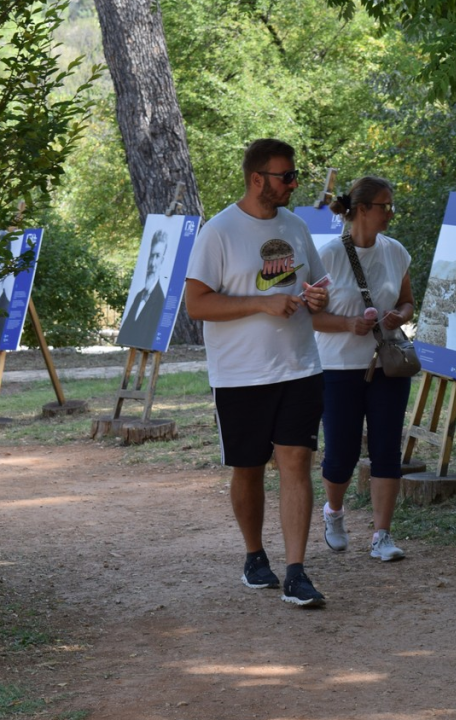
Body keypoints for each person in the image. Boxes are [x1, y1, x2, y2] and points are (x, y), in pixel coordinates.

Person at [184, 138, 331, 608]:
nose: (293, 184)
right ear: (256, 179)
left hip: (300, 366)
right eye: (284, 176)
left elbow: (315, 283)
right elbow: (196, 303)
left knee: (296, 463)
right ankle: (254, 556)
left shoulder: (297, 226)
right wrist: (261, 302)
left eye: (293, 175)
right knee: (248, 469)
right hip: (241, 374)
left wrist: (316, 298)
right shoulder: (220, 231)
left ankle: (295, 572)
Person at [312, 177, 416, 563]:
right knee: (340, 453)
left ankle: (381, 535)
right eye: (384, 206)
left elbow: (408, 302)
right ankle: (334, 514)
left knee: (387, 449)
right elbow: (311, 317)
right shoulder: (327, 255)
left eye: (391, 205)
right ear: (360, 209)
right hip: (339, 367)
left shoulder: (396, 251)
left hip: (387, 364)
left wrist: (397, 315)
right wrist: (347, 324)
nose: (390, 213)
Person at [117, 228, 169, 348]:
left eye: (157, 256)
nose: (152, 263)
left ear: (162, 260)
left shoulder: (161, 301)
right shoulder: (138, 296)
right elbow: (126, 334)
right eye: (152, 256)